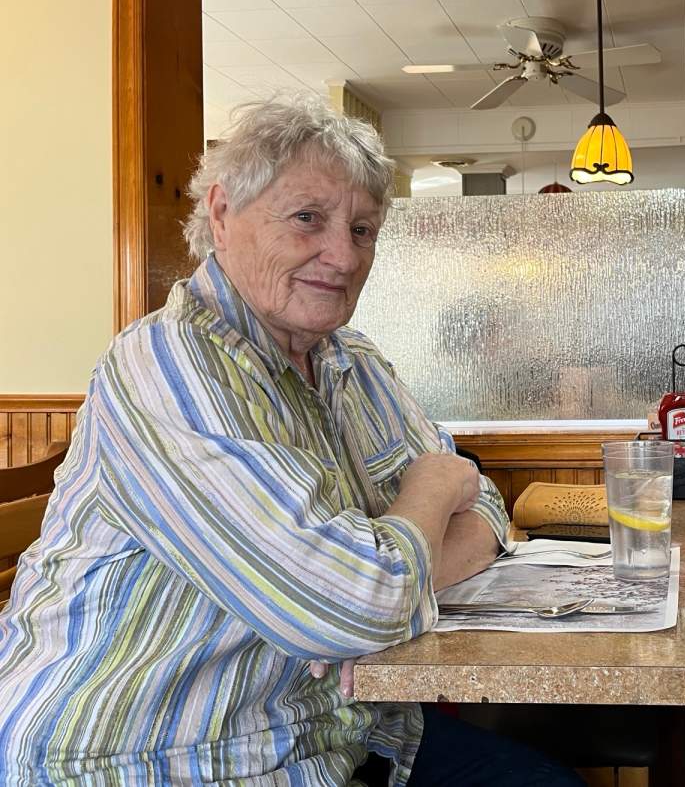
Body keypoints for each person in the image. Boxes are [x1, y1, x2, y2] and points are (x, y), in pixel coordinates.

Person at [0, 94, 582, 786]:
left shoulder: (352, 361)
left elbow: (482, 506)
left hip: (328, 735)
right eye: (308, 218)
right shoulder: (167, 365)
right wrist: (428, 492)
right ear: (222, 215)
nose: (342, 255)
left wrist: (387, 586)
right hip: (145, 756)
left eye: (363, 230)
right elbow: (355, 602)